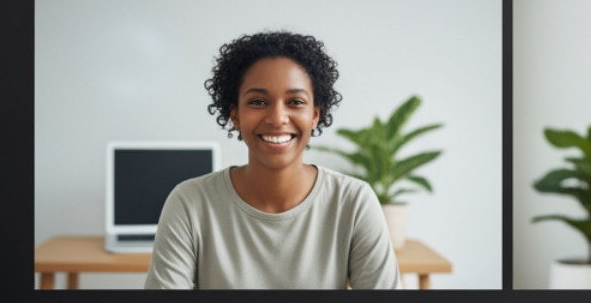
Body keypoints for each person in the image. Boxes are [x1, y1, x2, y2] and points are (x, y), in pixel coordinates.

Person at [145, 31, 400, 289]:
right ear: (235, 115)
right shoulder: (190, 203)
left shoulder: (354, 203)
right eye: (258, 101)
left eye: (295, 102)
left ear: (315, 115)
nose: (277, 118)